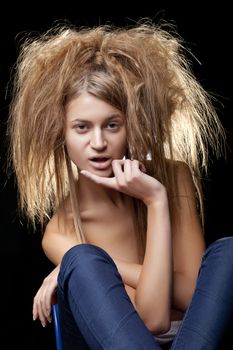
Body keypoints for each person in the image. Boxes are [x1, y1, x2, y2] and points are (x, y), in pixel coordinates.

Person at [7, 20, 233, 349]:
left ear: (131, 125)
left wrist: (156, 200)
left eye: (112, 125)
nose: (98, 142)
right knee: (83, 261)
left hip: (193, 340)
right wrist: (89, 266)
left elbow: (190, 297)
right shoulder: (61, 231)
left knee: (229, 252)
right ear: (63, 135)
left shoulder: (173, 177)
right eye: (82, 128)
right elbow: (153, 318)